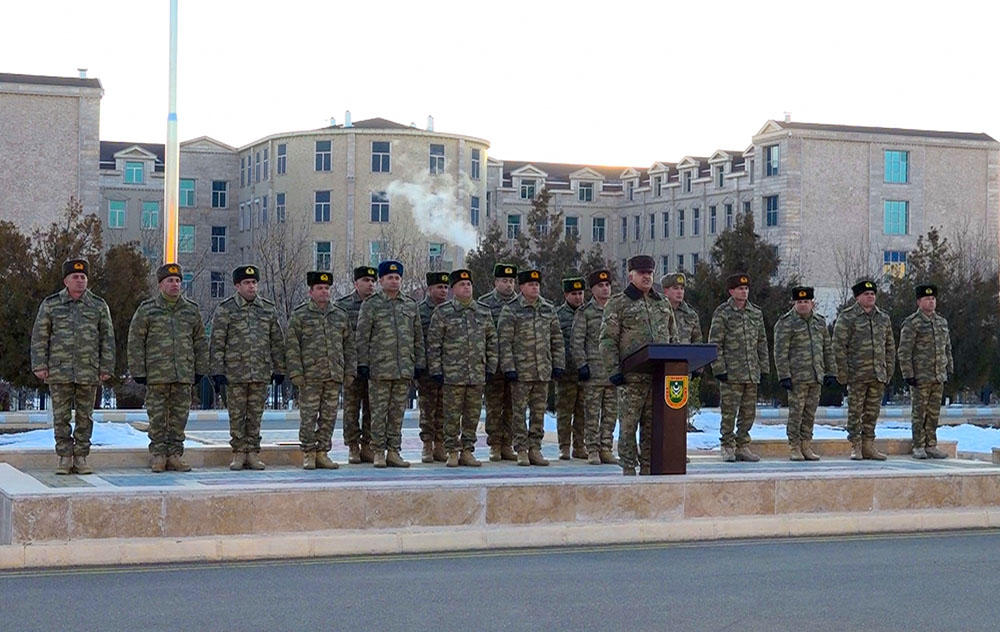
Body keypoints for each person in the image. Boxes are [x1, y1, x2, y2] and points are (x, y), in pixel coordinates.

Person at [30, 258, 114, 475]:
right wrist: (40, 365)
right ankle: (65, 457)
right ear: (66, 280)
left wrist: (106, 366)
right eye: (75, 277)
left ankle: (82, 457)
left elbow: (107, 338)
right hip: (59, 370)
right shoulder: (51, 304)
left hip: (88, 369)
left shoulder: (98, 305)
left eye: (83, 277)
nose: (80, 281)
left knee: (86, 416)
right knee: (61, 416)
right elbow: (40, 336)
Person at [127, 263, 209, 473]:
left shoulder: (190, 310)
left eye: (178, 281)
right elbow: (136, 341)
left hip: (183, 374)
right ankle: (158, 455)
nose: (175, 284)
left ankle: (175, 455)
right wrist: (139, 371)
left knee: (179, 416)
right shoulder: (148, 310)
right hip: (156, 374)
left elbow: (200, 341)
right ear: (160, 284)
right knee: (157, 416)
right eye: (170, 281)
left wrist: (200, 369)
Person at [599, 256, 677, 475]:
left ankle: (649, 465)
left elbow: (673, 336)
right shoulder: (618, 303)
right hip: (630, 377)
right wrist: (613, 370)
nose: (647, 277)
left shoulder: (661, 303)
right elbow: (607, 340)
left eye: (650, 273)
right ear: (631, 275)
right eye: (642, 273)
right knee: (629, 425)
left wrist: (675, 364)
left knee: (653, 425)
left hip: (658, 376)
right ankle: (628, 467)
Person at [209, 265, 285, 471]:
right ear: (237, 285)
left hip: (260, 372)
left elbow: (276, 341)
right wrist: (217, 371)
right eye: (247, 283)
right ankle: (238, 452)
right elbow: (217, 342)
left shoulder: (267, 309)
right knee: (236, 415)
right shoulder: (226, 309)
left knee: (255, 415)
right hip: (235, 374)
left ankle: (252, 452)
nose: (252, 287)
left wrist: (280, 369)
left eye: (254, 283)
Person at [427, 269, 498, 467]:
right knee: (451, 415)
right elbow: (434, 344)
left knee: (472, 415)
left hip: (476, 373)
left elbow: (492, 341)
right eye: (461, 284)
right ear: (453, 289)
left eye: (468, 284)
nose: (466, 287)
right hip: (452, 374)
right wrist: (436, 370)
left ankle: (467, 450)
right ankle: (451, 450)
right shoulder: (443, 312)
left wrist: (491, 366)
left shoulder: (483, 311)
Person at [285, 271, 356, 469]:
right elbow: (292, 346)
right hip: (310, 377)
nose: (324, 291)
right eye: (320, 288)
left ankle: (323, 452)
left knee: (329, 416)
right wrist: (296, 372)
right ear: (311, 291)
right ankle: (308, 453)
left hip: (333, 375)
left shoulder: (339, 315)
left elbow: (349, 346)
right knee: (308, 416)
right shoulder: (300, 315)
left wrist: (349, 371)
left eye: (326, 288)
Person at [357, 260, 424, 468]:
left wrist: (419, 363)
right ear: (381, 280)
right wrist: (363, 364)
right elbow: (362, 336)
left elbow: (417, 337)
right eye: (390, 278)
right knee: (378, 413)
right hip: (380, 369)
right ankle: (378, 451)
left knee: (396, 414)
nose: (394, 281)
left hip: (403, 368)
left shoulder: (410, 305)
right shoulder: (371, 304)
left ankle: (393, 451)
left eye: (397, 278)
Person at [498, 269, 564, 466]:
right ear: (521, 287)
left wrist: (558, 364)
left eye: (537, 284)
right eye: (530, 284)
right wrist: (508, 367)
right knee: (518, 413)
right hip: (521, 371)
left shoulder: (547, 309)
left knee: (538, 412)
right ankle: (521, 449)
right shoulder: (511, 309)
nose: (534, 287)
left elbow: (556, 339)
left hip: (542, 370)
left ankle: (535, 448)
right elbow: (505, 342)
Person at [708, 273, 769, 463]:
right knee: (729, 412)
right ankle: (727, 445)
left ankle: (742, 445)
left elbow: (761, 341)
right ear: (731, 291)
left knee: (748, 412)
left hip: (751, 371)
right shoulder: (723, 312)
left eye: (746, 288)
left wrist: (764, 368)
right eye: (740, 289)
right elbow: (715, 342)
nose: (744, 292)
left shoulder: (755, 313)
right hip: (731, 372)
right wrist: (719, 368)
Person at [833, 279, 896, 460]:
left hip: (877, 373)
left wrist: (888, 369)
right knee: (855, 411)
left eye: (872, 294)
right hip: (856, 374)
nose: (870, 297)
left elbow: (889, 346)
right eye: (866, 294)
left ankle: (868, 445)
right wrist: (843, 372)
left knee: (872, 412)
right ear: (858, 297)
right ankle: (856, 445)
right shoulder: (848, 317)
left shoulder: (883, 318)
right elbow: (838, 346)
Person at [773, 286, 836, 461]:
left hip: (816, 376)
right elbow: (780, 352)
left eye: (806, 301)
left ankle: (806, 444)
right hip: (796, 378)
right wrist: (784, 375)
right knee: (796, 413)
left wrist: (831, 372)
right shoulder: (786, 323)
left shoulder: (819, 322)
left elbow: (827, 349)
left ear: (812, 303)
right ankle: (794, 446)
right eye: (799, 302)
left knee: (810, 413)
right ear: (794, 303)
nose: (803, 305)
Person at [898, 284, 953, 459]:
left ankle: (931, 444)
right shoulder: (912, 323)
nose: (931, 301)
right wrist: (908, 374)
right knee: (919, 412)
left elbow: (947, 348)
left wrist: (948, 368)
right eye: (927, 298)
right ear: (919, 301)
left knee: (933, 413)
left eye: (933, 298)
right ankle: (918, 445)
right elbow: (904, 351)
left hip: (938, 375)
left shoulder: (941, 322)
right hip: (920, 376)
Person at [571, 269, 618, 465]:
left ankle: (606, 447)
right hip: (593, 372)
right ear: (592, 289)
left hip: (613, 372)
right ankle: (592, 449)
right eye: (601, 285)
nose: (605, 289)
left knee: (610, 413)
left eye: (607, 285)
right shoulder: (586, 312)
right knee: (591, 413)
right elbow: (577, 341)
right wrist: (582, 365)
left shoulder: (616, 310)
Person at [478, 263, 520, 461]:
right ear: (496, 282)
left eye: (512, 281)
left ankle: (507, 444)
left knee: (512, 406)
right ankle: (494, 444)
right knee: (494, 406)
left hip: (516, 364)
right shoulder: (484, 304)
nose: (509, 285)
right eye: (504, 281)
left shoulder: (521, 303)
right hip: (493, 364)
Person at [336, 266, 377, 464]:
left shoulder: (380, 304)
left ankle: (368, 444)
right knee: (352, 408)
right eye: (366, 281)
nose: (370, 284)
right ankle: (353, 446)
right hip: (351, 366)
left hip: (374, 366)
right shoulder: (343, 306)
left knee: (372, 407)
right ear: (356, 283)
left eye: (372, 281)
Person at [662, 271, 702, 439]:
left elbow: (697, 341)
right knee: (659, 414)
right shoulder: (658, 311)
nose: (679, 292)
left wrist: (698, 366)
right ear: (665, 291)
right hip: (660, 370)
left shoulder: (690, 314)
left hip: (682, 372)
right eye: (675, 288)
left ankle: (677, 451)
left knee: (679, 415)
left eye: (682, 288)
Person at [417, 271, 450, 463]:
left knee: (444, 409)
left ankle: (440, 445)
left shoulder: (451, 310)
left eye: (446, 287)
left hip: (449, 369)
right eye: (439, 287)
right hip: (428, 370)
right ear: (430, 289)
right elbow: (417, 340)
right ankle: (427, 445)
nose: (443, 290)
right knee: (427, 409)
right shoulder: (420, 311)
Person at [555, 276, 587, 460]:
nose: (578, 297)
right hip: (566, 372)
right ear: (566, 294)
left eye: (580, 293)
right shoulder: (559, 315)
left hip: (585, 373)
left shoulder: (588, 314)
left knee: (582, 412)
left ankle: (579, 446)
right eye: (573, 294)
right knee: (564, 412)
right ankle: (564, 446)